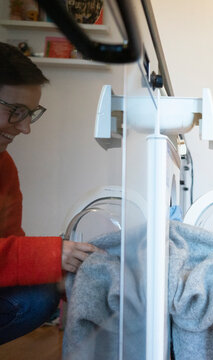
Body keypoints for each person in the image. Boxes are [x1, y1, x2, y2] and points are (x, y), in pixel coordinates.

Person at [0, 42, 102, 344]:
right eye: (16, 111)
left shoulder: (4, 167)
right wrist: (52, 255)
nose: (25, 128)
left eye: (31, 113)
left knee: (40, 292)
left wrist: (58, 274)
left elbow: (9, 243)